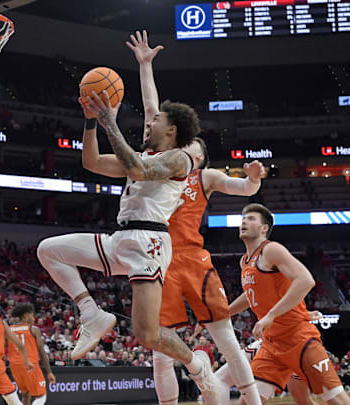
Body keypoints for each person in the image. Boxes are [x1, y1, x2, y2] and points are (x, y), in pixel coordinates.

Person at [36, 30, 222, 402]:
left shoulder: (179, 159)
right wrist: (93, 119)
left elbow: (137, 169)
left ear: (171, 131)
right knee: (48, 250)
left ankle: (197, 365)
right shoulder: (149, 152)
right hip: (121, 238)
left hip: (150, 242)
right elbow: (91, 161)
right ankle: (91, 313)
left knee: (148, 336)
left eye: (154, 124)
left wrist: (110, 123)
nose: (146, 123)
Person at [125, 31, 267, 405]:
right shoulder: (159, 162)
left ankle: (252, 402)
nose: (189, 150)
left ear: (200, 154)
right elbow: (151, 107)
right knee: (159, 350)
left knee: (226, 338)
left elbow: (246, 193)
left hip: (192, 258)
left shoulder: (205, 176)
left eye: (194, 148)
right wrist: (145, 66)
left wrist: (252, 179)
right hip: (159, 256)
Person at [230, 203, 350, 404]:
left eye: (251, 218)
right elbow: (250, 294)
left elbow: (306, 280)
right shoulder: (244, 261)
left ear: (264, 228)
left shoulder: (271, 249)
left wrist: (270, 315)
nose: (244, 221)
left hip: (298, 338)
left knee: (335, 400)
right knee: (248, 401)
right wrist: (226, 313)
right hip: (271, 344)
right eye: (243, 218)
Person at [213, 310, 323, 404]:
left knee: (304, 401)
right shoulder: (254, 288)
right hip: (266, 343)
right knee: (218, 380)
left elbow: (305, 285)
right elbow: (248, 296)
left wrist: (302, 314)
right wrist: (223, 314)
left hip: (291, 345)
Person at [8, 303, 56, 405]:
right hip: (30, 365)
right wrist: (49, 372)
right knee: (42, 396)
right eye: (32, 315)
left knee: (25, 394)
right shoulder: (33, 329)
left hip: (15, 366)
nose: (34, 318)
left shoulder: (9, 329)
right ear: (26, 315)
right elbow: (42, 352)